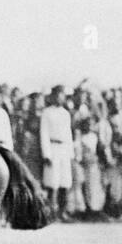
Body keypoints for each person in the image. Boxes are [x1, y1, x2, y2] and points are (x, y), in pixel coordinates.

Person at [40, 85, 73, 221]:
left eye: (63, 95)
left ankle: (62, 211)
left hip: (64, 148)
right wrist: (46, 153)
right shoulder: (47, 113)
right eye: (59, 95)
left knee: (64, 181)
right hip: (52, 148)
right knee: (52, 181)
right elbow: (44, 133)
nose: (61, 98)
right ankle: (49, 212)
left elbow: (69, 133)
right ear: (53, 96)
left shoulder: (66, 113)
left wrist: (71, 153)